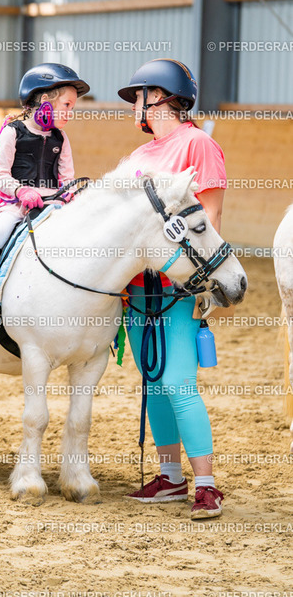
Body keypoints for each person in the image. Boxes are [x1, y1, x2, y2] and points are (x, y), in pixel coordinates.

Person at [117, 58, 227, 519]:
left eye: (138, 96)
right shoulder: (136, 157)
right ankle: (170, 478)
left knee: (179, 382)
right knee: (155, 382)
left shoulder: (198, 144)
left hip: (177, 286)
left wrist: (197, 283)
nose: (134, 106)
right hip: (136, 289)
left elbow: (210, 219)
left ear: (160, 97)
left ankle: (206, 485)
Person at [0, 63, 89, 316]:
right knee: (0, 229)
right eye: (67, 105)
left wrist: (69, 194)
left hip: (52, 203)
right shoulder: (13, 132)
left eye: (72, 107)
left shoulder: (61, 138)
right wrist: (21, 191)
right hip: (15, 203)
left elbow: (67, 177)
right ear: (45, 101)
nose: (70, 113)